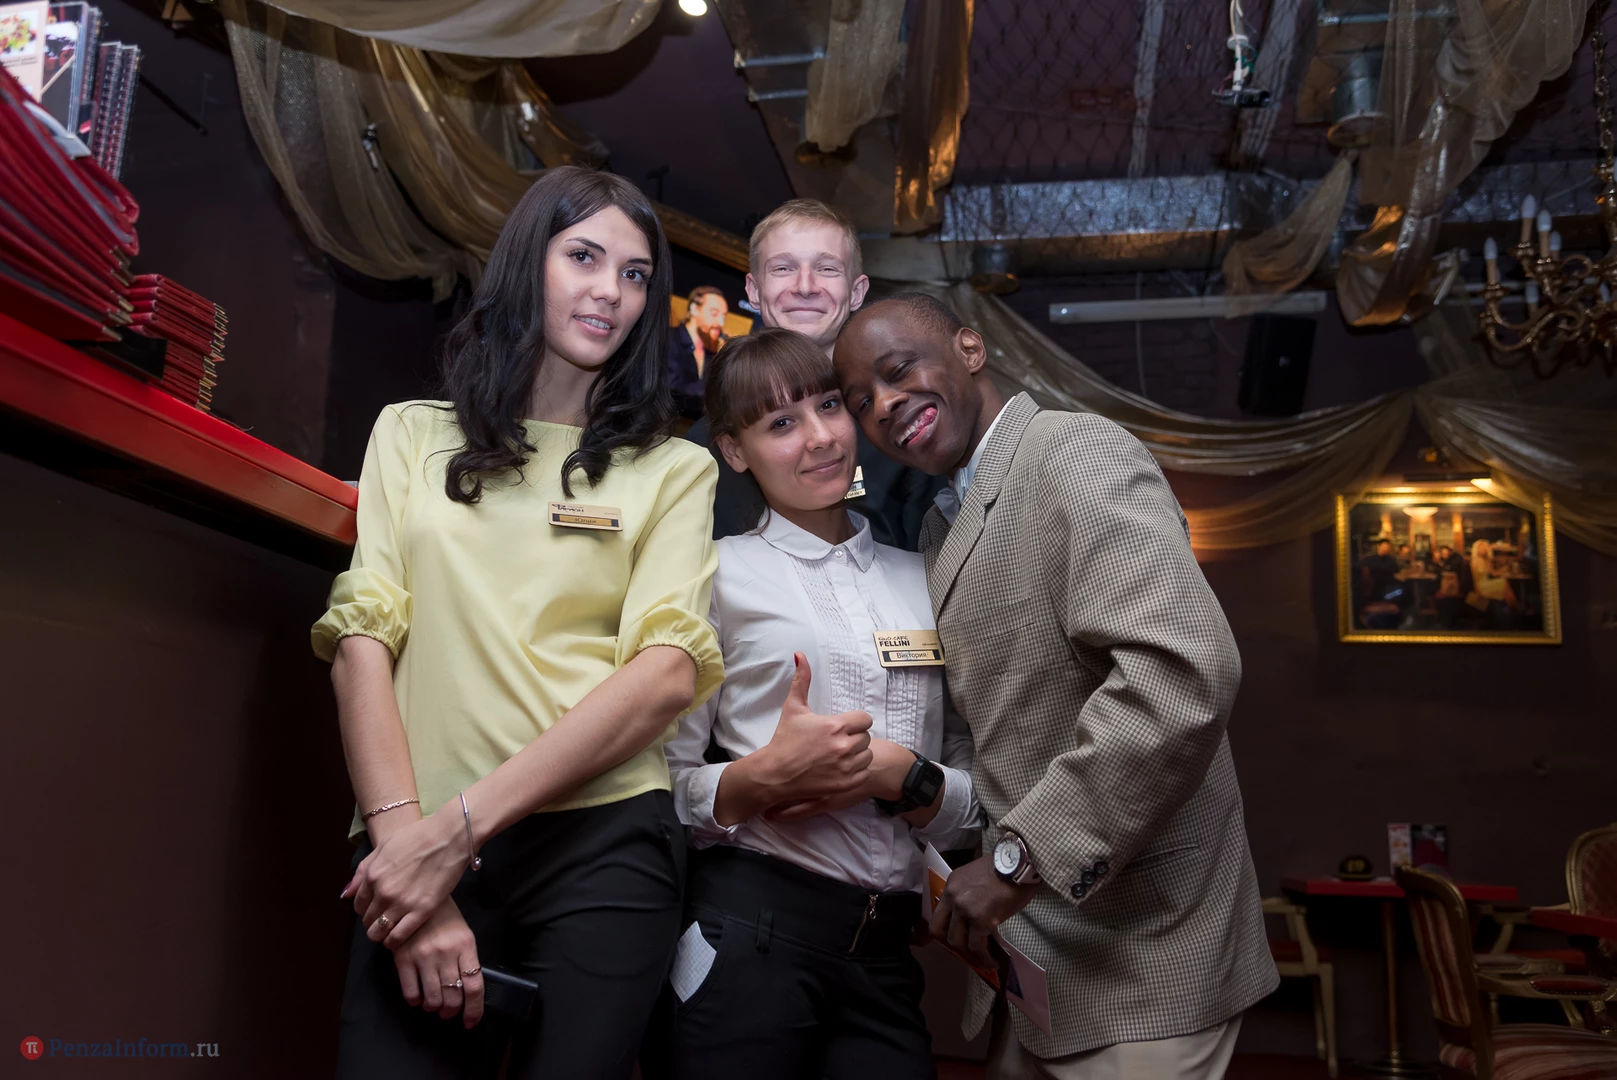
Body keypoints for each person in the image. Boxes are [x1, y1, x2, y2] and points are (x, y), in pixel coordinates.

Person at [310, 166, 724, 1080]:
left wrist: (455, 834)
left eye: (634, 275)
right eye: (584, 257)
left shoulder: (673, 471)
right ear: (526, 261)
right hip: (411, 830)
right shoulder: (411, 434)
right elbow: (361, 642)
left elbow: (664, 673)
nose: (609, 291)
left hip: (601, 849)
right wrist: (411, 854)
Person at [833, 293, 1277, 1080]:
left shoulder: (1073, 452)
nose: (885, 406)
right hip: (1036, 955)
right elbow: (1002, 717)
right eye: (863, 402)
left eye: (898, 371)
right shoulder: (942, 520)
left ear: (970, 349)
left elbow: (1179, 674)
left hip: (1142, 945)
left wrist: (1017, 861)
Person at [658, 328, 980, 1079]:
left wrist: (905, 778)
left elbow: (976, 790)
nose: (821, 438)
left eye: (829, 406)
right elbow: (658, 787)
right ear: (734, 451)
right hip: (750, 934)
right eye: (781, 422)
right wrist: (761, 779)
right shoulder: (713, 574)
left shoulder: (924, 576)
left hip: (887, 955)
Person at [684, 199, 943, 549]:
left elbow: (935, 567)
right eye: (783, 268)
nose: (805, 286)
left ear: (856, 292)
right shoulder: (705, 444)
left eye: (827, 269)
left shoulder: (903, 421)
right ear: (754, 291)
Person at [668, 284, 729, 419]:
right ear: (694, 309)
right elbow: (670, 391)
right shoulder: (668, 339)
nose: (720, 322)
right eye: (714, 314)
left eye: (724, 317)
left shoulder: (712, 354)